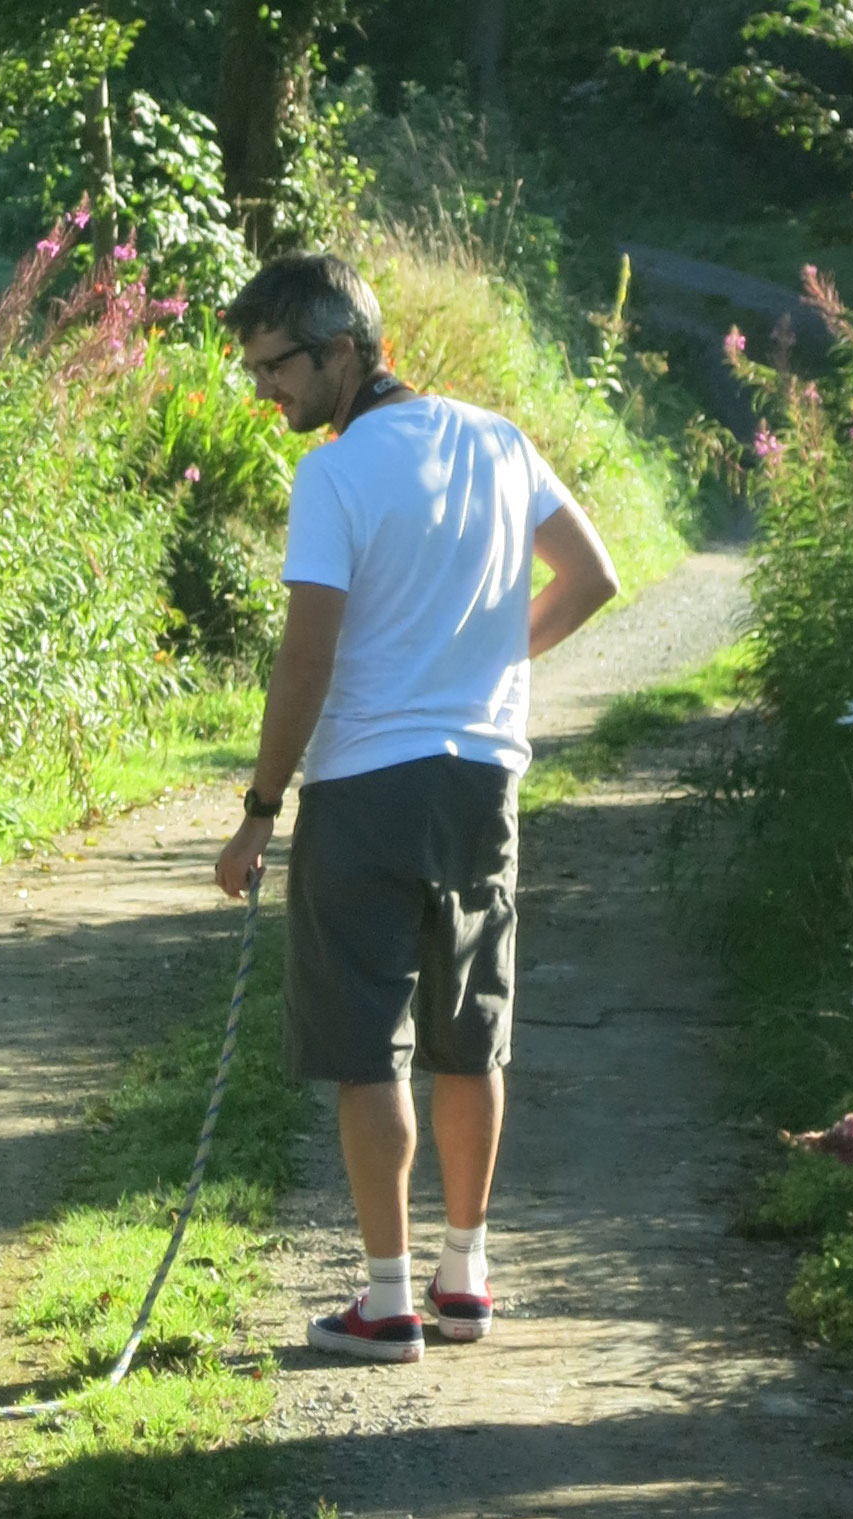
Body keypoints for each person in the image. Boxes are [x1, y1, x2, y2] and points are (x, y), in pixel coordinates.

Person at [209, 251, 621, 1364]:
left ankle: (385, 1299)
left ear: (341, 348)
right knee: (468, 1031)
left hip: (362, 788)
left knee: (364, 1047)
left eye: (276, 368)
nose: (266, 392)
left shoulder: (336, 478)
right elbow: (589, 578)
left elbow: (305, 659)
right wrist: (489, 662)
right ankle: (464, 1277)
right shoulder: (497, 439)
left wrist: (257, 807)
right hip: (481, 779)